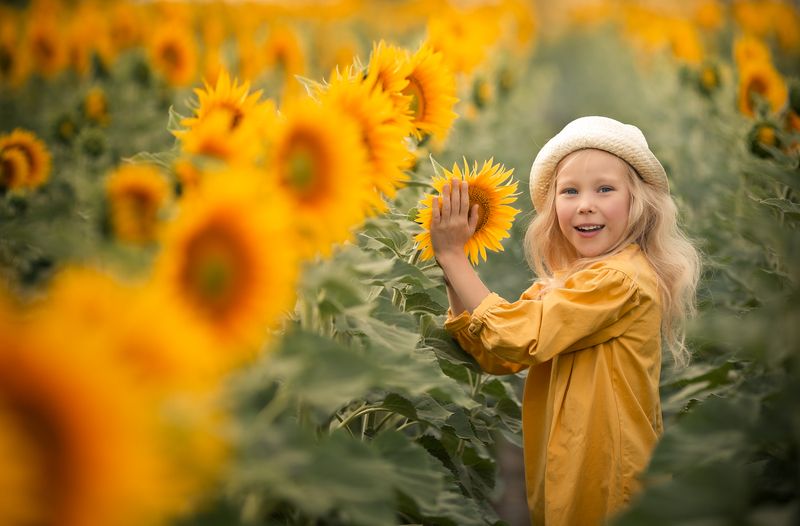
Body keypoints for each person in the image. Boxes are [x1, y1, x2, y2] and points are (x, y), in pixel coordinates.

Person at [430, 116, 701, 525]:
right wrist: (453, 266)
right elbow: (498, 356)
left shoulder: (618, 279)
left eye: (605, 189)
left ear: (637, 202)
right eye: (569, 191)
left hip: (608, 482)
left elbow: (517, 336)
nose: (585, 203)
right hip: (566, 475)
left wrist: (454, 257)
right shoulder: (573, 281)